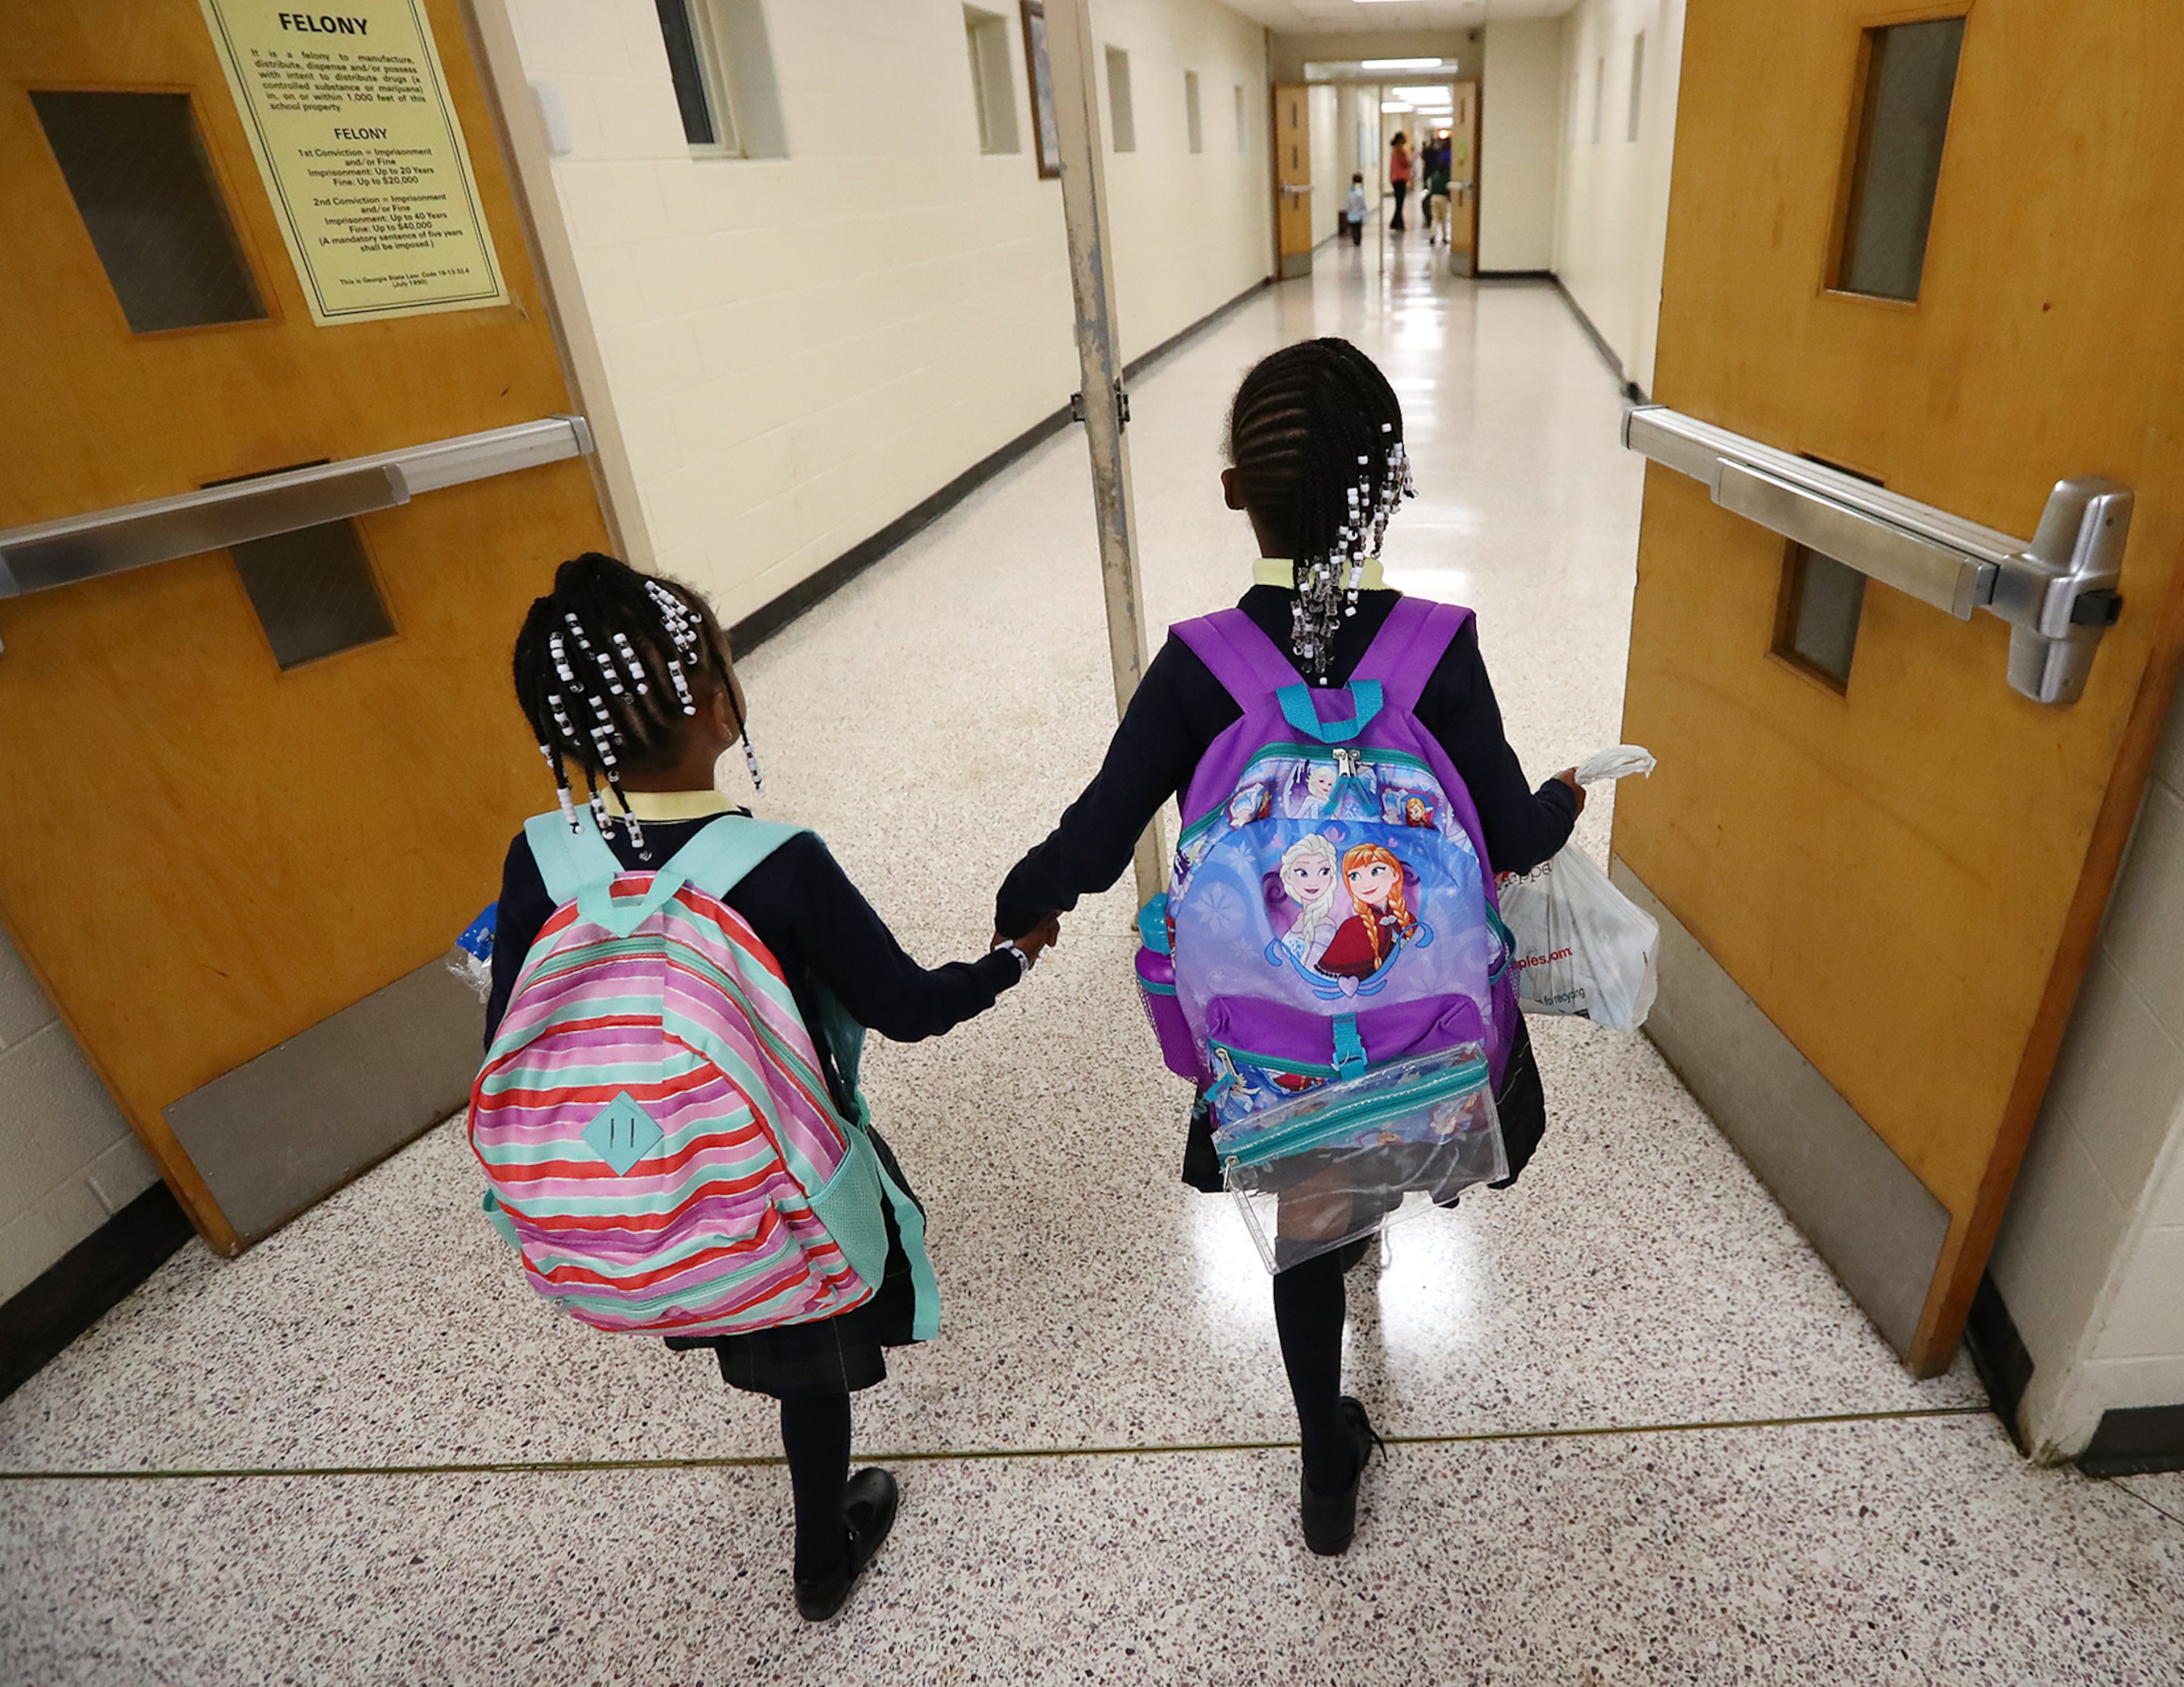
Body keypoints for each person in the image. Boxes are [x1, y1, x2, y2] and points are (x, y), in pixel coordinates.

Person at [993, 338, 1583, 1557]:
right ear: (1396, 487)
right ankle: (1387, 1190)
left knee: (1305, 1232)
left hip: (1271, 1051)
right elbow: (1515, 834)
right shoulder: (1438, 646)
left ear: (1231, 492)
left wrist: (1025, 902)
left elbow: (1095, 842)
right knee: (1383, 1136)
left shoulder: (1204, 665)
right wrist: (1569, 796)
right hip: (1423, 1029)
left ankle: (1325, 1466)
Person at [486, 553, 1058, 1622]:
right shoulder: (775, 860)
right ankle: (820, 1556)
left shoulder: (538, 860)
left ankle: (715, 1321)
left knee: (737, 1301)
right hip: (774, 1192)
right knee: (812, 1361)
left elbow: (508, 1051)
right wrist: (1013, 957)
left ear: (564, 734)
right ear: (715, 704)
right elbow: (911, 1007)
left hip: (637, 1202)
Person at [1424, 139, 1453, 246]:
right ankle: (1445, 237)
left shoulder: (1433, 177)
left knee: (1435, 218)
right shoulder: (1446, 178)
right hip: (1443, 198)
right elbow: (1448, 189)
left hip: (1434, 197)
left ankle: (1432, 235)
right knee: (1444, 218)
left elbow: (1429, 187)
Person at [1387, 131, 1412, 231]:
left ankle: (1397, 222)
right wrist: (1411, 160)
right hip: (1400, 178)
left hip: (1395, 178)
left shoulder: (1395, 149)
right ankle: (1397, 223)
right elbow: (1405, 163)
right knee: (1400, 202)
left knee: (1399, 202)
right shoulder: (1400, 149)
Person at [1344, 172, 1367, 246]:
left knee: (1354, 228)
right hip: (1359, 213)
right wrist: (1364, 210)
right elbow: (1362, 202)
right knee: (1358, 228)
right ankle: (1358, 241)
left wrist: (1348, 210)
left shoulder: (1351, 190)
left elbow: (1348, 202)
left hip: (1352, 213)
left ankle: (1355, 240)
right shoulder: (1360, 191)